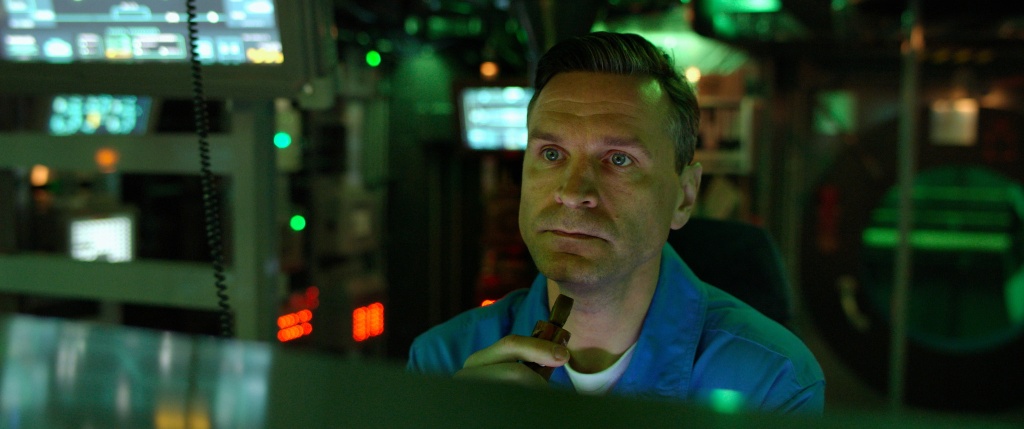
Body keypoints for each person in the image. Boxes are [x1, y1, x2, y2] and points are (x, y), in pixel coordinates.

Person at [407, 31, 825, 414]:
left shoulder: (772, 384)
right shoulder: (442, 363)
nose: (573, 192)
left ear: (684, 196)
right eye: (551, 154)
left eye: (619, 159)